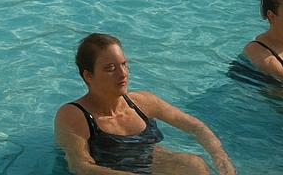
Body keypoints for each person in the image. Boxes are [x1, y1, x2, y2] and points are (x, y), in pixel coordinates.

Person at [55, 34, 236, 175]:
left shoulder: (142, 102)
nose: (122, 74)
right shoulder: (74, 115)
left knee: (193, 164)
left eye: (124, 64)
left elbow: (195, 127)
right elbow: (81, 167)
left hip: (147, 164)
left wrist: (220, 157)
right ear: (88, 75)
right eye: (111, 68)